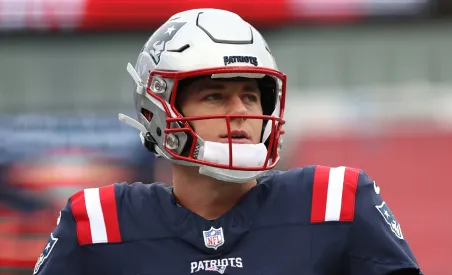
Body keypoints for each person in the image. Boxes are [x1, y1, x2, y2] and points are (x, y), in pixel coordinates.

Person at [33, 8, 422, 275]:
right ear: (159, 110)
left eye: (251, 96)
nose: (241, 112)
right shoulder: (100, 224)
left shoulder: (337, 201)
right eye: (214, 96)